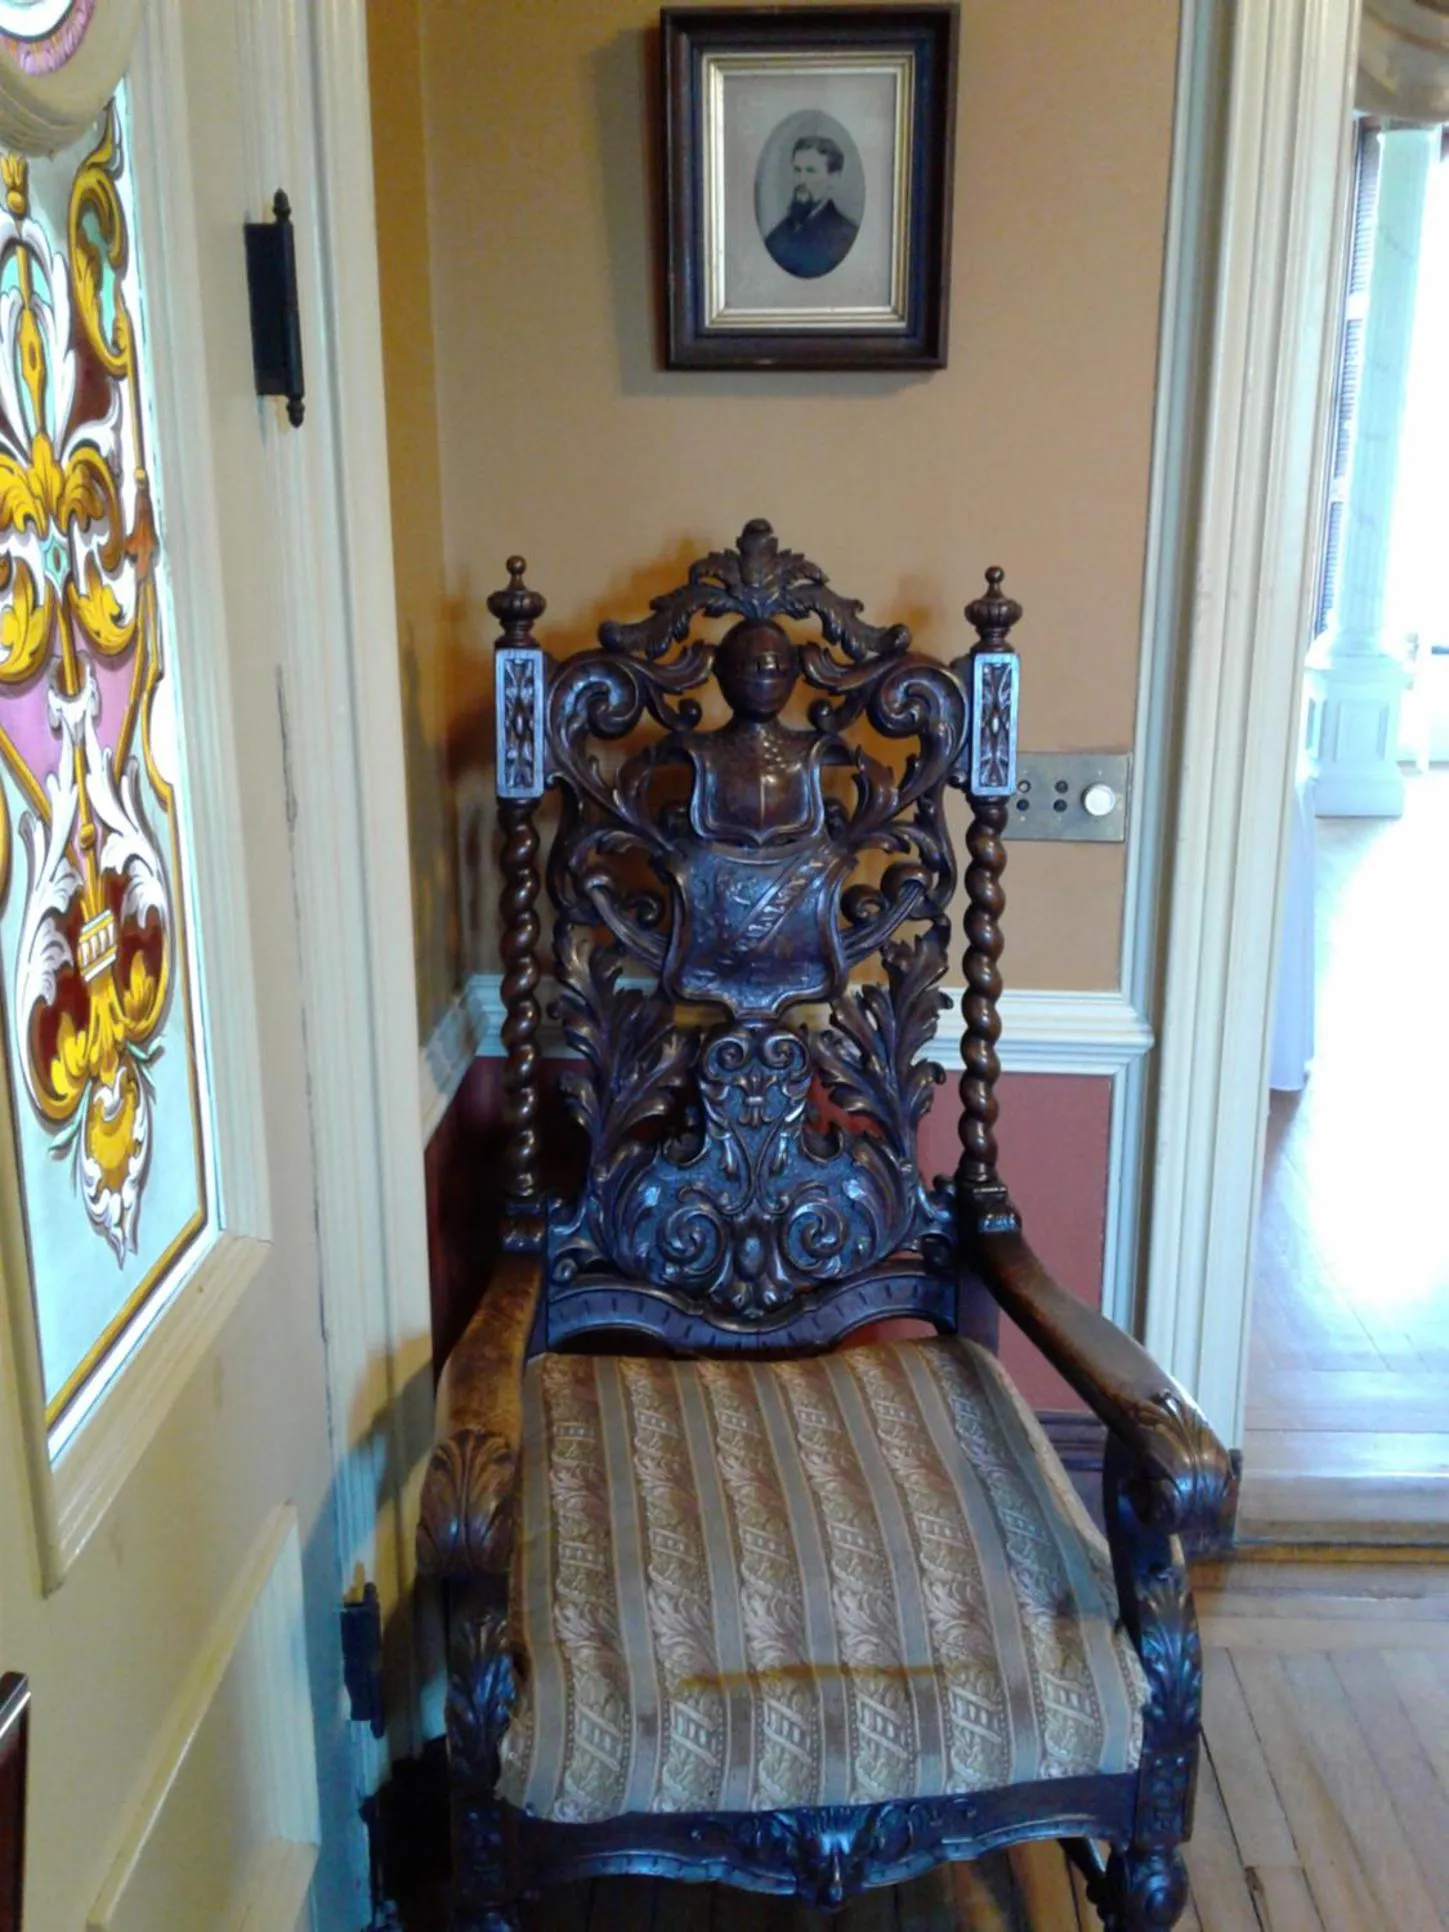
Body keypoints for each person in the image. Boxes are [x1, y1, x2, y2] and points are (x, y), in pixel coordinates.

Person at [764, 134, 858, 279]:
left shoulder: (846, 238)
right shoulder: (776, 237)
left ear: (833, 178)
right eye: (797, 170)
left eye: (810, 171)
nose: (801, 180)